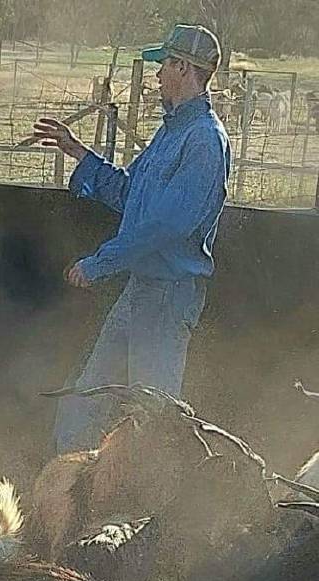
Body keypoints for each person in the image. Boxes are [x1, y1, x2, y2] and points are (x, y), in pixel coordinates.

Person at [32, 24, 232, 454]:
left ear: (184, 68)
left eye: (164, 65)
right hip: (143, 292)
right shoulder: (174, 133)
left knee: (151, 419)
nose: (157, 74)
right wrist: (79, 153)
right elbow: (130, 194)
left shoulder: (204, 141)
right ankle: (65, 493)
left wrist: (99, 263)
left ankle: (148, 513)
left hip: (166, 299)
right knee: (87, 402)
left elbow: (163, 226)